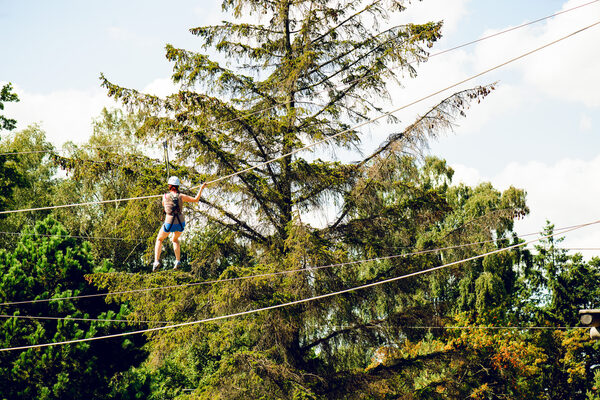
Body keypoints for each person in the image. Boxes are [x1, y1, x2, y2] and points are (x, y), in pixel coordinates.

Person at [153, 176, 207, 271]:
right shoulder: (181, 196)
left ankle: (156, 261)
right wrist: (201, 188)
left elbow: (164, 205)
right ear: (178, 186)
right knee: (175, 240)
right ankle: (177, 261)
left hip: (169, 223)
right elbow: (196, 199)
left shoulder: (165, 196)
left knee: (159, 239)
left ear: (169, 186)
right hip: (181, 223)